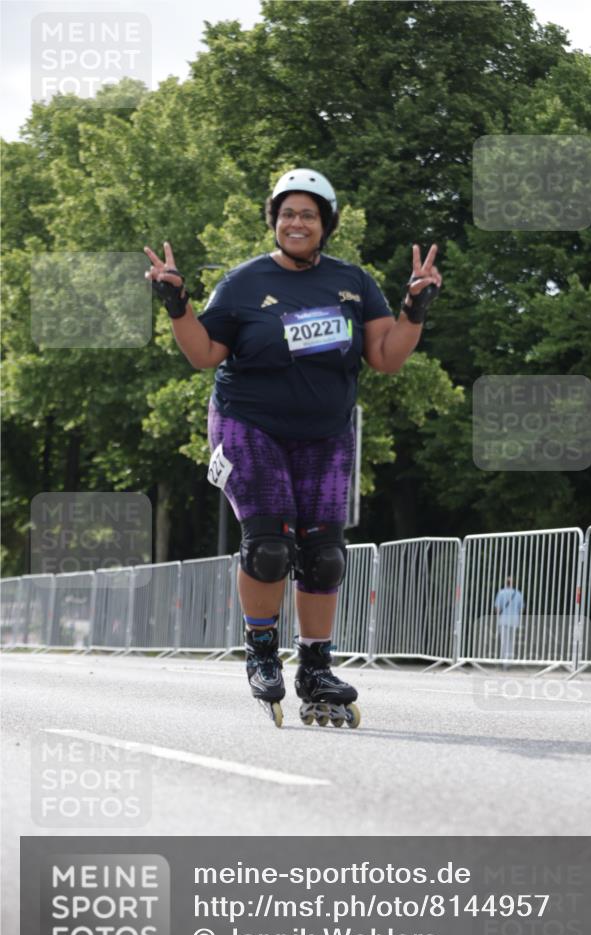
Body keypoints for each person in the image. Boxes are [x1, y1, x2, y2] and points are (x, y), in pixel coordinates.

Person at [144, 168, 441, 727]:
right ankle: (260, 651)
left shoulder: (353, 283)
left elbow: (387, 357)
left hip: (326, 432)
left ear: (325, 224)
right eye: (286, 214)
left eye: (307, 214)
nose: (295, 223)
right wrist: (178, 305)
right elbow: (205, 354)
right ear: (274, 222)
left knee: (324, 556)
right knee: (269, 547)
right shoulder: (244, 283)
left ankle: (315, 668)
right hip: (247, 425)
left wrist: (413, 310)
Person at [493, 576, 525, 666]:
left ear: (505, 583)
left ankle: (503, 661)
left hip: (504, 620)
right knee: (511, 641)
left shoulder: (501, 593)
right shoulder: (518, 594)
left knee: (504, 641)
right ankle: (509, 662)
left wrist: (499, 615)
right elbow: (521, 609)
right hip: (514, 620)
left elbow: (497, 608)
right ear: (512, 583)